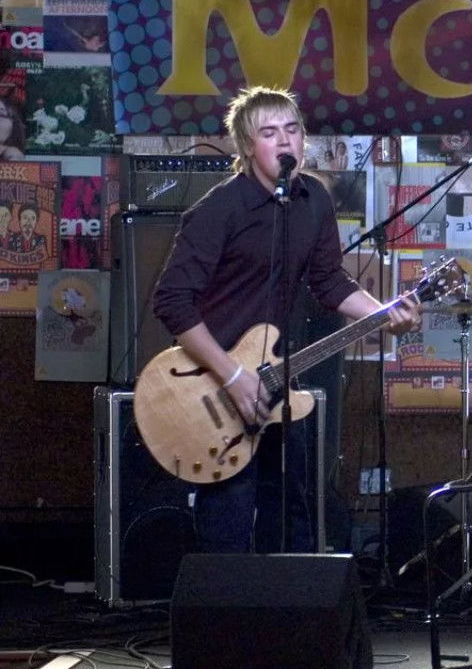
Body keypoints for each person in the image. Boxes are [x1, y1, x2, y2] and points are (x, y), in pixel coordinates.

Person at [152, 86, 421, 554]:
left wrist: (383, 314)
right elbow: (172, 301)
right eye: (269, 132)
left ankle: (284, 601)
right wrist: (231, 374)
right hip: (216, 382)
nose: (283, 140)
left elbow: (329, 281)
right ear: (246, 146)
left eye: (292, 129)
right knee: (229, 522)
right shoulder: (219, 208)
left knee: (293, 515)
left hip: (278, 378)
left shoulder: (314, 200)